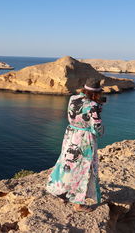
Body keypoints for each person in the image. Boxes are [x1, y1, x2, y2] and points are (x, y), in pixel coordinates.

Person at [46, 78, 104, 212]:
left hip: (71, 135)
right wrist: (97, 110)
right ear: (95, 93)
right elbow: (97, 128)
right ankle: (78, 204)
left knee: (67, 164)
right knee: (82, 169)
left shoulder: (73, 98)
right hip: (84, 139)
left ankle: (62, 193)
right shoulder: (92, 105)